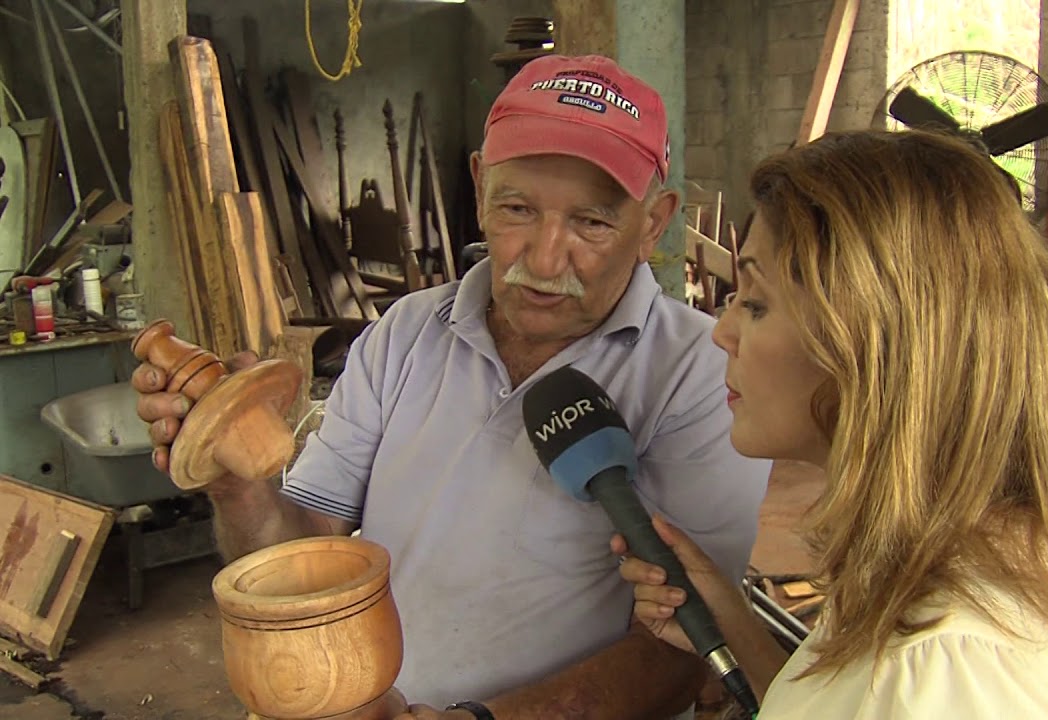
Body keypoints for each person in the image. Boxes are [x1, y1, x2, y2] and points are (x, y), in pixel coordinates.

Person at [134, 54, 771, 720]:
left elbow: (684, 647)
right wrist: (239, 486)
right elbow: (298, 565)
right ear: (479, 186)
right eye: (517, 209)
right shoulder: (404, 333)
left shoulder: (704, 373)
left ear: (654, 223)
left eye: (592, 222)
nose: (544, 259)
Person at [615, 129, 1048, 719]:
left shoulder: (963, 669)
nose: (723, 332)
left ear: (874, 341)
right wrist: (732, 623)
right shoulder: (925, 571)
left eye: (757, 304)